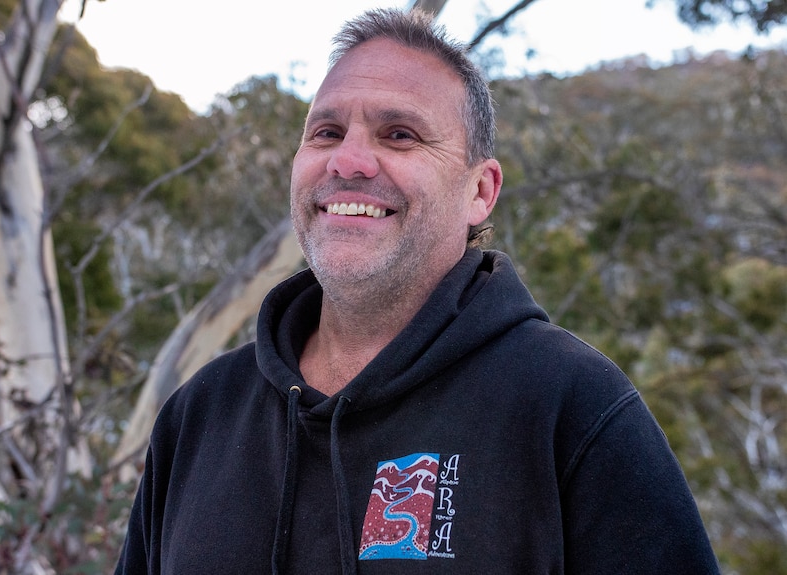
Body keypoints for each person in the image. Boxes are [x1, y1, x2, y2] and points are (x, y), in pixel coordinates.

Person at [115, 8, 719, 574]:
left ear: (480, 191)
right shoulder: (201, 413)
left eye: (399, 135)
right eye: (325, 132)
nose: (348, 161)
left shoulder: (572, 405)